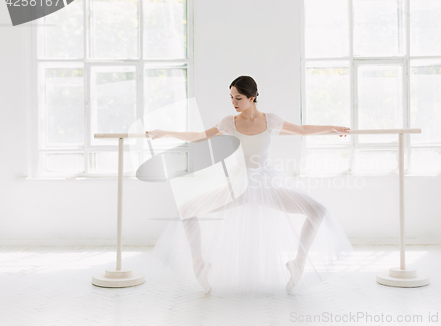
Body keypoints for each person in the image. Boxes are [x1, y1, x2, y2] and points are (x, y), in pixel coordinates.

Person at [146, 75, 353, 297]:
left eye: (239, 97)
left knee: (317, 210)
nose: (234, 102)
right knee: (186, 210)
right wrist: (165, 132)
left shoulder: (270, 120)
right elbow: (199, 137)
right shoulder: (229, 122)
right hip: (238, 187)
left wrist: (334, 128)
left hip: (266, 185)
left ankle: (298, 262)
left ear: (252, 97)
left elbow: (301, 130)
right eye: (231, 97)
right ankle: (199, 263)